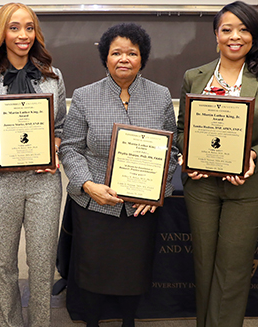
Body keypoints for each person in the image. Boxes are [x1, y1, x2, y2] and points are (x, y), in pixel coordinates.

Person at [176, 0, 258, 327]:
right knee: (203, 265)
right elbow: (181, 130)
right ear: (216, 34)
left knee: (232, 269)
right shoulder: (194, 77)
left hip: (249, 188)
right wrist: (190, 154)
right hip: (201, 186)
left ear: (254, 36)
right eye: (227, 29)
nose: (235, 36)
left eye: (244, 29)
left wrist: (253, 155)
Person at [59, 22, 179, 327]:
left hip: (140, 206)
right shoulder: (85, 96)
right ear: (106, 58)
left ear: (142, 58)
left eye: (132, 53)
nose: (123, 58)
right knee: (93, 271)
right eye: (116, 52)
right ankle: (92, 322)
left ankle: (128, 322)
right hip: (97, 202)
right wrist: (87, 185)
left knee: (133, 271)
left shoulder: (160, 95)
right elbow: (70, 149)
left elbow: (172, 151)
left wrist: (159, 192)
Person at [0, 2, 66, 327]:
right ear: (1, 33)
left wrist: (53, 146)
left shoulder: (54, 78)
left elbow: (61, 129)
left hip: (43, 184)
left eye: (29, 27)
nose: (22, 35)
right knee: (3, 265)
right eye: (14, 27)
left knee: (41, 265)